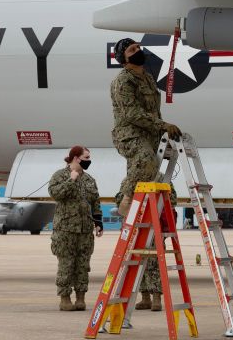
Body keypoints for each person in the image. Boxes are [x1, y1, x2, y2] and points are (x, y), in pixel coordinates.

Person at [111, 37, 182, 312]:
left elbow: (154, 109)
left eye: (138, 48)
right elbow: (132, 114)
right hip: (129, 133)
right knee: (143, 162)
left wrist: (160, 129)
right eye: (131, 50)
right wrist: (162, 125)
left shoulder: (149, 78)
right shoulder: (123, 82)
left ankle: (159, 209)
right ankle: (126, 198)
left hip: (150, 135)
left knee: (157, 179)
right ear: (123, 57)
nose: (138, 51)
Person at [47, 145, 103, 311]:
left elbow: (95, 202)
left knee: (83, 265)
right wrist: (70, 180)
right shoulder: (60, 175)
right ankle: (65, 299)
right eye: (86, 158)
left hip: (85, 231)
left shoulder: (89, 179)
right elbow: (55, 194)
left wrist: (98, 222)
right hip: (65, 230)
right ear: (76, 158)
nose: (89, 161)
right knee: (66, 264)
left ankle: (80, 298)